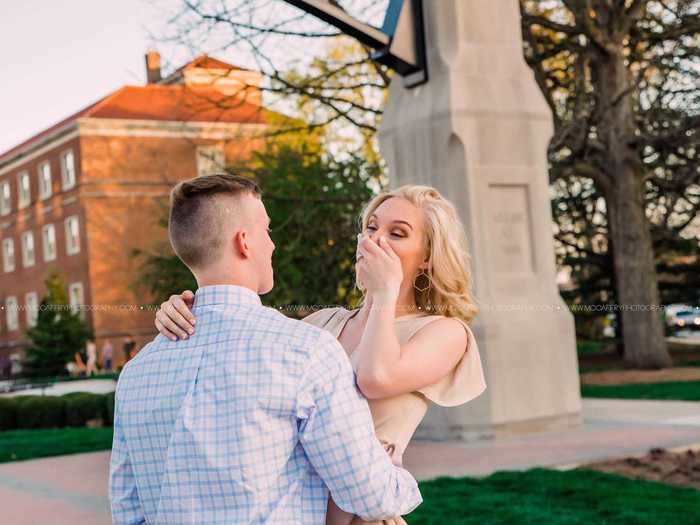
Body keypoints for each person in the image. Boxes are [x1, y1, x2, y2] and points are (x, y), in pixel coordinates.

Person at [156, 184, 487, 525]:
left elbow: (375, 378)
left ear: (428, 256)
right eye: (371, 227)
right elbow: (246, 350)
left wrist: (385, 294)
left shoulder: (444, 332)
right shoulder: (324, 323)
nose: (375, 240)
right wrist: (187, 310)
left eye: (398, 233)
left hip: (364, 514)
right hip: (296, 507)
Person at [109, 173, 421, 525]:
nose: (272, 245)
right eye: (267, 231)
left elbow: (128, 510)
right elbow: (370, 494)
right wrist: (400, 483)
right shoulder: (306, 351)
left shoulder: (135, 374)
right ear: (244, 242)